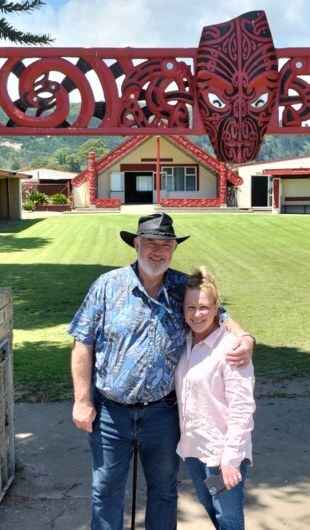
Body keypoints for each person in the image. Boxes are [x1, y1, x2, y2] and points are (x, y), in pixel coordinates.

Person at [68, 213, 255, 530]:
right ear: (136, 244)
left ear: (173, 249)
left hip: (162, 413)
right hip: (110, 413)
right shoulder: (107, 286)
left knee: (164, 490)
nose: (158, 251)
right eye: (150, 243)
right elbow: (82, 343)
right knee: (105, 490)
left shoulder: (183, 287)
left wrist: (246, 337)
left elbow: (218, 314)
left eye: (165, 245)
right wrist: (82, 400)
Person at [176, 267, 255, 530]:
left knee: (229, 520)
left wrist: (230, 459)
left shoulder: (231, 348)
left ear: (217, 307)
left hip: (223, 453)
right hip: (193, 449)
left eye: (203, 307)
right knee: (213, 511)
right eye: (191, 307)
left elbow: (242, 408)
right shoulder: (184, 341)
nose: (197, 314)